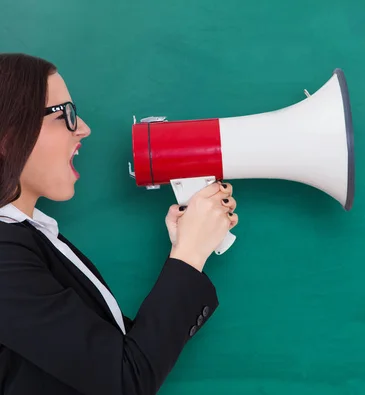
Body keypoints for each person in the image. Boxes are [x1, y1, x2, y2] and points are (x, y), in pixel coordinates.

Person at [0, 53, 239, 395]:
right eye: (64, 114)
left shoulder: (30, 238)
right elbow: (125, 381)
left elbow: (117, 356)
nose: (83, 128)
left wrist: (186, 248)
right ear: (8, 138)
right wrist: (188, 255)